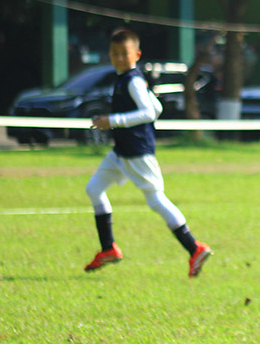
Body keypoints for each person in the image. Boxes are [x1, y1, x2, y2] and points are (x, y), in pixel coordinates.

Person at [84, 28, 212, 278]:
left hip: (137, 153)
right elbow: (157, 106)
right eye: (114, 53)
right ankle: (108, 248)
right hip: (121, 152)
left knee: (156, 200)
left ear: (137, 54)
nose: (119, 58)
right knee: (93, 189)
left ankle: (194, 247)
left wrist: (113, 120)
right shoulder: (127, 78)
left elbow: (149, 113)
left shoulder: (132, 80)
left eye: (124, 53)